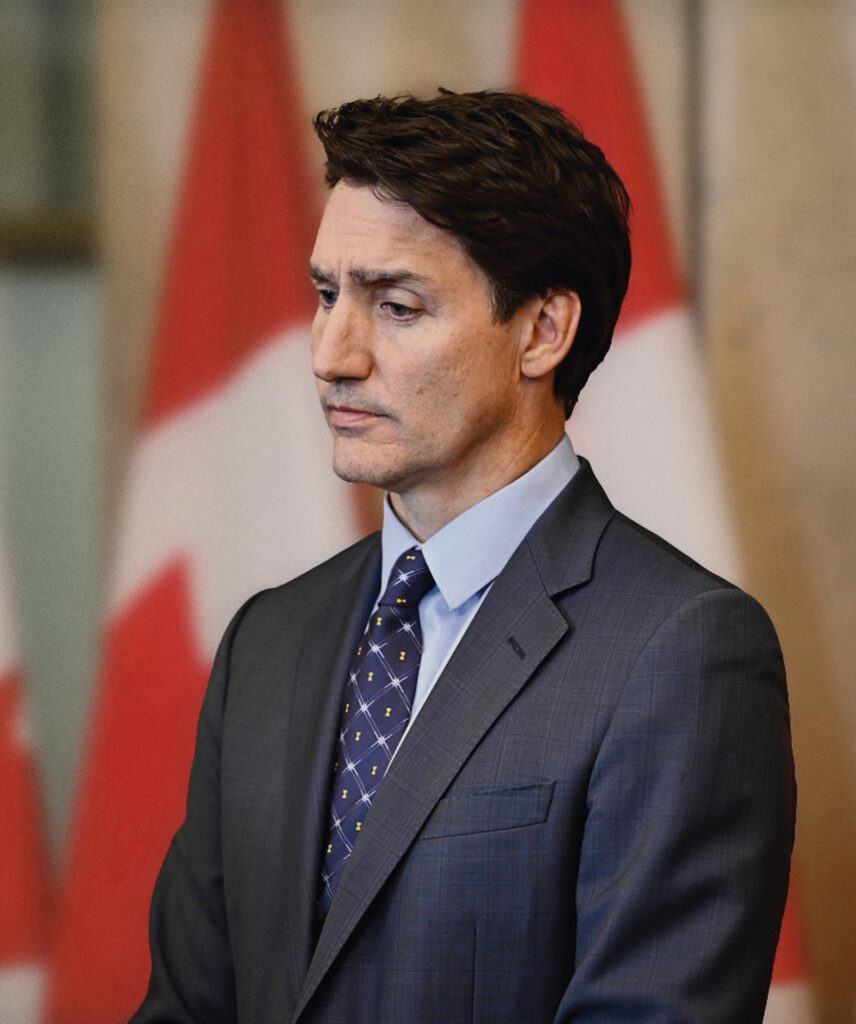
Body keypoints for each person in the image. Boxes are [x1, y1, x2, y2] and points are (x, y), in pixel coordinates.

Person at [132, 90, 795, 1023]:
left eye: (397, 307)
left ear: (543, 331)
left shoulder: (684, 652)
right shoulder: (266, 641)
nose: (331, 354)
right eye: (326, 296)